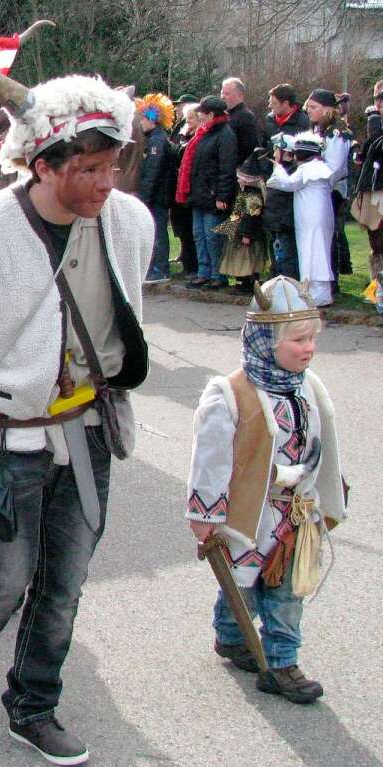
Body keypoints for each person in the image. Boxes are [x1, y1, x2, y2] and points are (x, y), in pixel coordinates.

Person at [0, 60, 152, 765]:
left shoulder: (130, 221)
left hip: (90, 431)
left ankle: (34, 704)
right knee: (6, 577)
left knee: (65, 580)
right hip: (7, 438)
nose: (108, 182)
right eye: (91, 167)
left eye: (116, 164)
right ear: (44, 162)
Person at [186, 276, 345, 704]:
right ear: (264, 341)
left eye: (312, 338)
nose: (308, 348)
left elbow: (322, 442)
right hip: (251, 516)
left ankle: (281, 663)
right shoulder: (229, 396)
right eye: (297, 340)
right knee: (247, 584)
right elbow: (211, 460)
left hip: (296, 514)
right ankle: (232, 635)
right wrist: (205, 517)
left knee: (286, 590)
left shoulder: (308, 387)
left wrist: (330, 489)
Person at [267, 133, 335, 306]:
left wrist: (278, 168)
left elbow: (288, 184)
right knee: (316, 250)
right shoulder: (318, 167)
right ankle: (317, 292)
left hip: (311, 216)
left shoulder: (308, 169)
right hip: (315, 216)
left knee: (312, 250)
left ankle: (316, 294)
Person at [176, 96, 237, 289]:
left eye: (202, 112)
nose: (199, 115)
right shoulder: (203, 133)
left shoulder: (225, 135)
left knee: (213, 237)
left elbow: (226, 168)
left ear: (210, 114)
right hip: (199, 193)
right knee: (199, 235)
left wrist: (222, 196)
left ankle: (217, 275)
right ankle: (204, 272)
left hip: (212, 195)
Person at [306, 89, 353, 283]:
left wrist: (316, 180)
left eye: (313, 107)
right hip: (315, 190)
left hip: (331, 191)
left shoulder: (337, 133)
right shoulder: (317, 130)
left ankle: (331, 280)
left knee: (330, 236)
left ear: (327, 109)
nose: (309, 111)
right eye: (308, 107)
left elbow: (335, 167)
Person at [214, 154, 271, 294]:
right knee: (238, 260)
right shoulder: (243, 193)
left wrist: (247, 235)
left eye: (241, 177)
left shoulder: (253, 196)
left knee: (246, 260)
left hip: (246, 236)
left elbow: (252, 218)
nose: (238, 179)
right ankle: (241, 282)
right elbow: (237, 213)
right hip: (238, 232)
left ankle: (248, 283)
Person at [136, 92, 176, 284]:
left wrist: (144, 197)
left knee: (158, 231)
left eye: (142, 118)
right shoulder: (154, 139)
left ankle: (160, 269)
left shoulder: (157, 141)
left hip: (157, 196)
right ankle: (154, 267)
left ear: (151, 119)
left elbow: (153, 171)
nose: (140, 122)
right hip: (157, 195)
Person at [351, 79, 383, 281]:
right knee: (377, 243)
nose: (378, 103)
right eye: (377, 98)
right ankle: (378, 289)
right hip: (374, 190)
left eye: (382, 98)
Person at [263, 133, 301, 280]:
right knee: (276, 260)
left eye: (276, 150)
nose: (274, 153)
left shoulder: (291, 172)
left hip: (283, 224)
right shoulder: (278, 170)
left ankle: (289, 290)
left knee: (285, 260)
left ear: (285, 152)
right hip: (274, 224)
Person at [170, 100, 200, 276]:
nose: (187, 122)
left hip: (191, 189)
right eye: (186, 118)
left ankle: (193, 266)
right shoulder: (183, 134)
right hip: (179, 186)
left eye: (191, 118)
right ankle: (187, 262)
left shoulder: (197, 137)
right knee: (182, 228)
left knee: (191, 229)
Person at [221, 77, 261, 166]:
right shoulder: (222, 115)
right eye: (222, 93)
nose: (222, 97)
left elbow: (248, 148)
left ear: (240, 95)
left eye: (227, 93)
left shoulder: (246, 117)